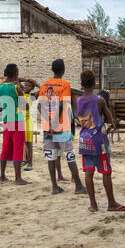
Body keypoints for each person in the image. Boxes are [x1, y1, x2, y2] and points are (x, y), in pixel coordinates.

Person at [77, 70, 125, 212]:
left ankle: (93, 204)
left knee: (88, 172)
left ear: (82, 84)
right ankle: (111, 203)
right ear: (94, 83)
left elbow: (80, 119)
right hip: (98, 140)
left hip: (84, 139)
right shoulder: (99, 100)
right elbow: (109, 119)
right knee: (105, 171)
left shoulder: (79, 100)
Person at [39, 59, 88, 195]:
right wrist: (54, 124)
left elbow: (39, 106)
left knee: (51, 157)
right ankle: (78, 186)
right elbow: (61, 105)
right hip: (61, 127)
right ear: (63, 70)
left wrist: (48, 123)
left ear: (52, 70)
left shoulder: (44, 85)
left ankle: (54, 187)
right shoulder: (64, 85)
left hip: (47, 128)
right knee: (69, 156)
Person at [0, 64, 31, 186]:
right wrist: (21, 92)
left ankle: (2, 175)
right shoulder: (16, 88)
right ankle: (18, 178)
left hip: (7, 119)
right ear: (15, 74)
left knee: (6, 147)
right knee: (18, 148)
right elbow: (25, 106)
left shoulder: (0, 88)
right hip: (18, 120)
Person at [22, 79, 39, 172]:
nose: (25, 87)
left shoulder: (33, 96)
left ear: (32, 88)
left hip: (29, 122)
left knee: (29, 144)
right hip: (21, 121)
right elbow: (16, 81)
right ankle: (25, 160)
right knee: (24, 142)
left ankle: (30, 163)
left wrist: (37, 84)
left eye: (28, 86)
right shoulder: (21, 94)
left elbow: (43, 90)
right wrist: (26, 80)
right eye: (25, 85)